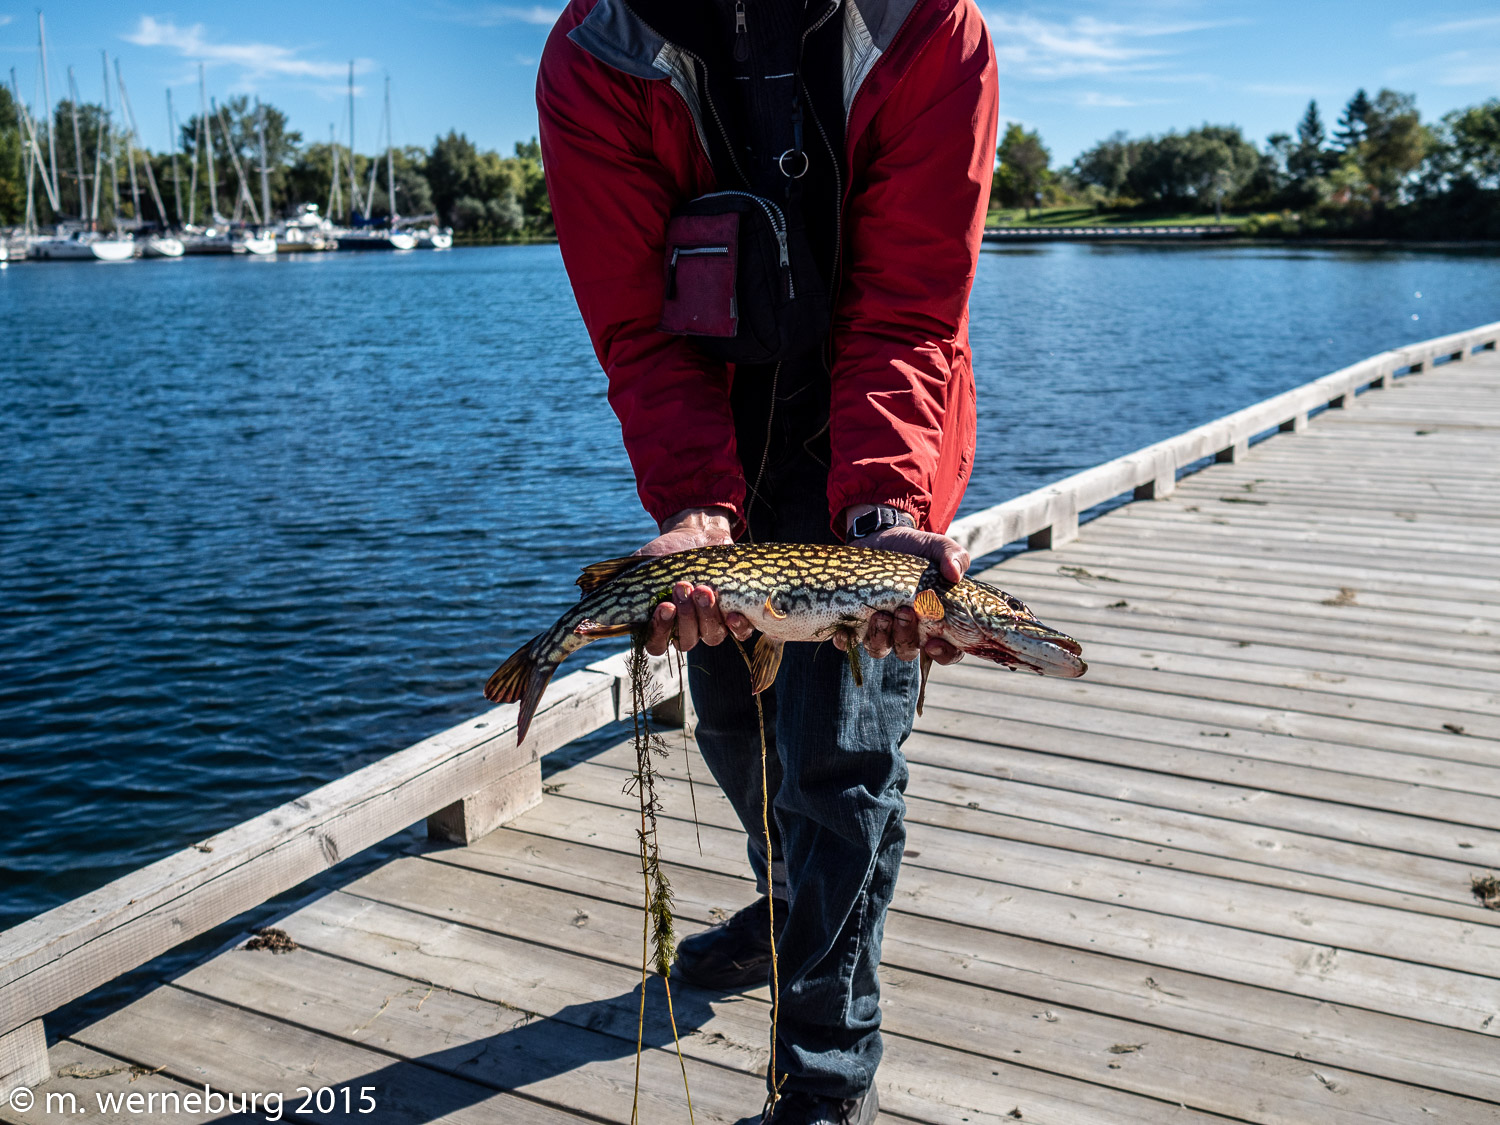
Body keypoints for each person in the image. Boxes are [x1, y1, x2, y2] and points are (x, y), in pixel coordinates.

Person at [538, 2, 997, 1121]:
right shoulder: (594, 53)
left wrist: (886, 505)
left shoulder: (929, 26)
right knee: (736, 727)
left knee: (839, 767)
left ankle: (827, 1085)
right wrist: (699, 500)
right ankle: (784, 908)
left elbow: (908, 308)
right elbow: (639, 329)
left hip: (874, 458)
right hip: (721, 459)